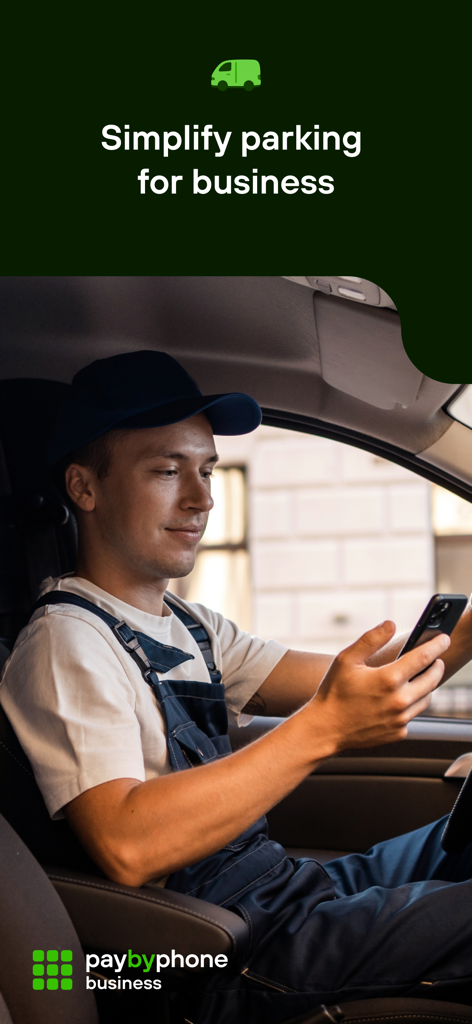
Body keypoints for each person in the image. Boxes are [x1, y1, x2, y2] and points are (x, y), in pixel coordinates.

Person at [2, 349, 472, 1024]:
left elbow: (360, 682)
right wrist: (322, 730)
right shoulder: (67, 643)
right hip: (216, 952)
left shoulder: (190, 625)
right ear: (84, 487)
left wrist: (468, 631)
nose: (201, 499)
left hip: (280, 895)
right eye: (167, 471)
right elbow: (128, 847)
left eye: (207, 470)